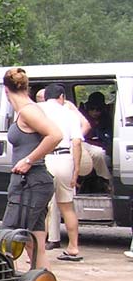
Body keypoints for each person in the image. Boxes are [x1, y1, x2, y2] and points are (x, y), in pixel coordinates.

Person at [0, 68, 62, 271]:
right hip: (31, 182)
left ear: (5, 90)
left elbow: (55, 135)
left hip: (31, 182)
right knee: (35, 245)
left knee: (7, 238)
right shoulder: (26, 111)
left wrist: (29, 160)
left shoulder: (28, 111)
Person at [39, 84, 85, 261]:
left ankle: (38, 250)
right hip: (65, 158)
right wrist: (76, 170)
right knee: (66, 205)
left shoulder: (38, 110)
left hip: (45, 158)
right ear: (61, 97)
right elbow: (77, 143)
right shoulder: (70, 114)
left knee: (41, 207)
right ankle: (73, 248)